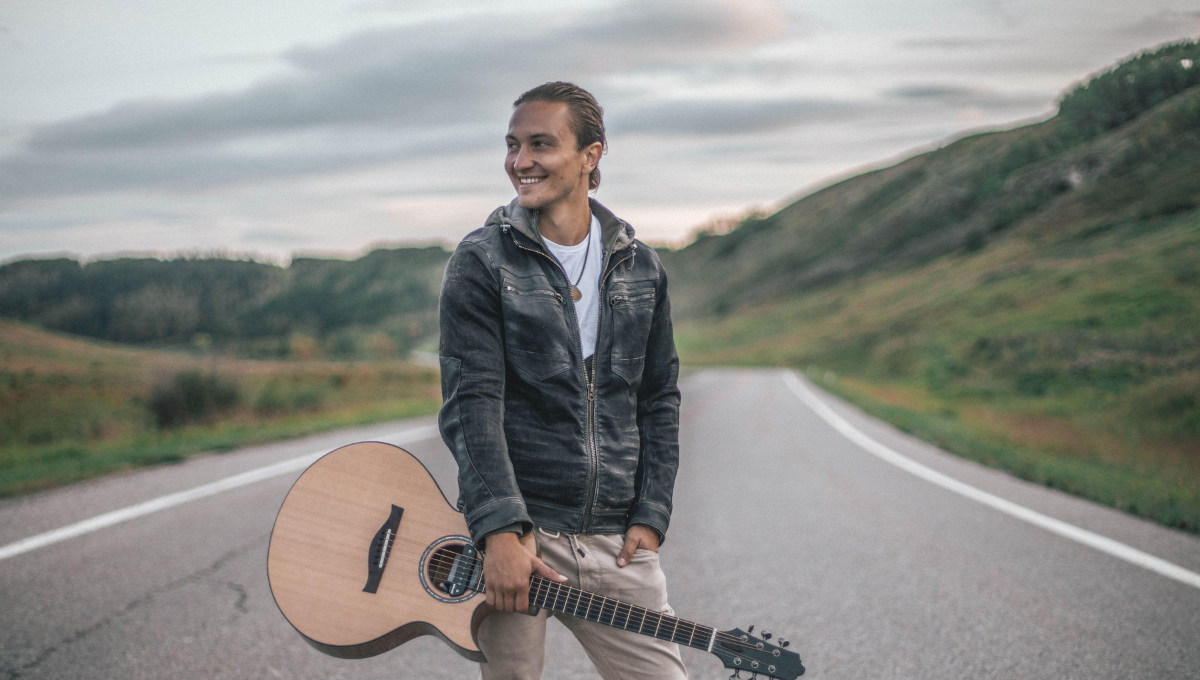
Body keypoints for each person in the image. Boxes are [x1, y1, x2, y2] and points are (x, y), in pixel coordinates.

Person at [437, 81, 686, 680]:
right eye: (513, 145)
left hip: (614, 542)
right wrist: (498, 530)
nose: (520, 162)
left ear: (591, 155)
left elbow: (659, 399)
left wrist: (650, 514)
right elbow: (472, 404)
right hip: (521, 536)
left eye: (540, 144)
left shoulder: (641, 266)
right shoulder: (482, 262)